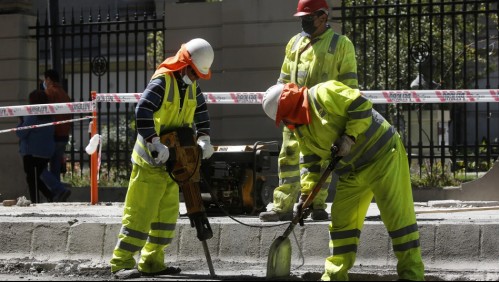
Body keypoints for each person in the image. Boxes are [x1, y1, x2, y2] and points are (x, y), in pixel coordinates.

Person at [261, 81, 425, 281]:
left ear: (291, 107)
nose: (286, 124)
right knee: (341, 226)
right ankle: (334, 277)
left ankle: (412, 276)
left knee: (399, 220)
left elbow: (362, 105)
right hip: (352, 171)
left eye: (284, 118)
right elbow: (311, 162)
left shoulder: (324, 92)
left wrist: (349, 137)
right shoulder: (300, 128)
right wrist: (306, 196)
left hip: (383, 157)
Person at [110, 38, 216, 279]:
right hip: (150, 161)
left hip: (174, 162)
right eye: (195, 72)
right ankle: (121, 262)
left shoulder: (192, 86)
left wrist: (205, 138)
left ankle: (152, 262)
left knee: (165, 217)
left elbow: (201, 112)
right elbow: (142, 110)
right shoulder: (162, 81)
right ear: (184, 64)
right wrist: (154, 142)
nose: (197, 78)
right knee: (139, 214)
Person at [259, 0, 359, 222]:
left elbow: (349, 87)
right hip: (293, 112)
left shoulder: (341, 45)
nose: (304, 22)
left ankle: (316, 205)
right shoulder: (294, 43)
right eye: (302, 17)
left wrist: (345, 121)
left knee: (319, 161)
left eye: (308, 17)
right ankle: (281, 206)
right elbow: (283, 80)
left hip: (322, 116)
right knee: (288, 159)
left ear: (323, 17)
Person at [17, 90, 71, 203]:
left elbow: (21, 133)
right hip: (46, 153)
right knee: (35, 177)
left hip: (31, 152)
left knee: (31, 178)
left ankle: (39, 199)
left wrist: (21, 121)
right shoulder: (49, 116)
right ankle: (50, 195)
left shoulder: (32, 116)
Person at [43, 69, 71, 181]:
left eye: (45, 79)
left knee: (41, 167)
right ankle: (57, 193)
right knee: (56, 167)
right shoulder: (64, 94)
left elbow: (45, 112)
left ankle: (57, 190)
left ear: (48, 79)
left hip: (53, 134)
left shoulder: (49, 92)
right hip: (64, 135)